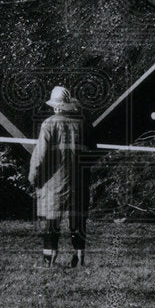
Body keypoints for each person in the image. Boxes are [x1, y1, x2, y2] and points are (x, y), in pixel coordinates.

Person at [28, 86, 94, 268]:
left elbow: (39, 155)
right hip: (79, 181)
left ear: (55, 106)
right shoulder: (83, 124)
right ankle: (79, 258)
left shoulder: (49, 124)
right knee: (77, 221)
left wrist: (33, 177)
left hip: (54, 181)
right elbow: (93, 151)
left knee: (52, 222)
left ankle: (48, 262)